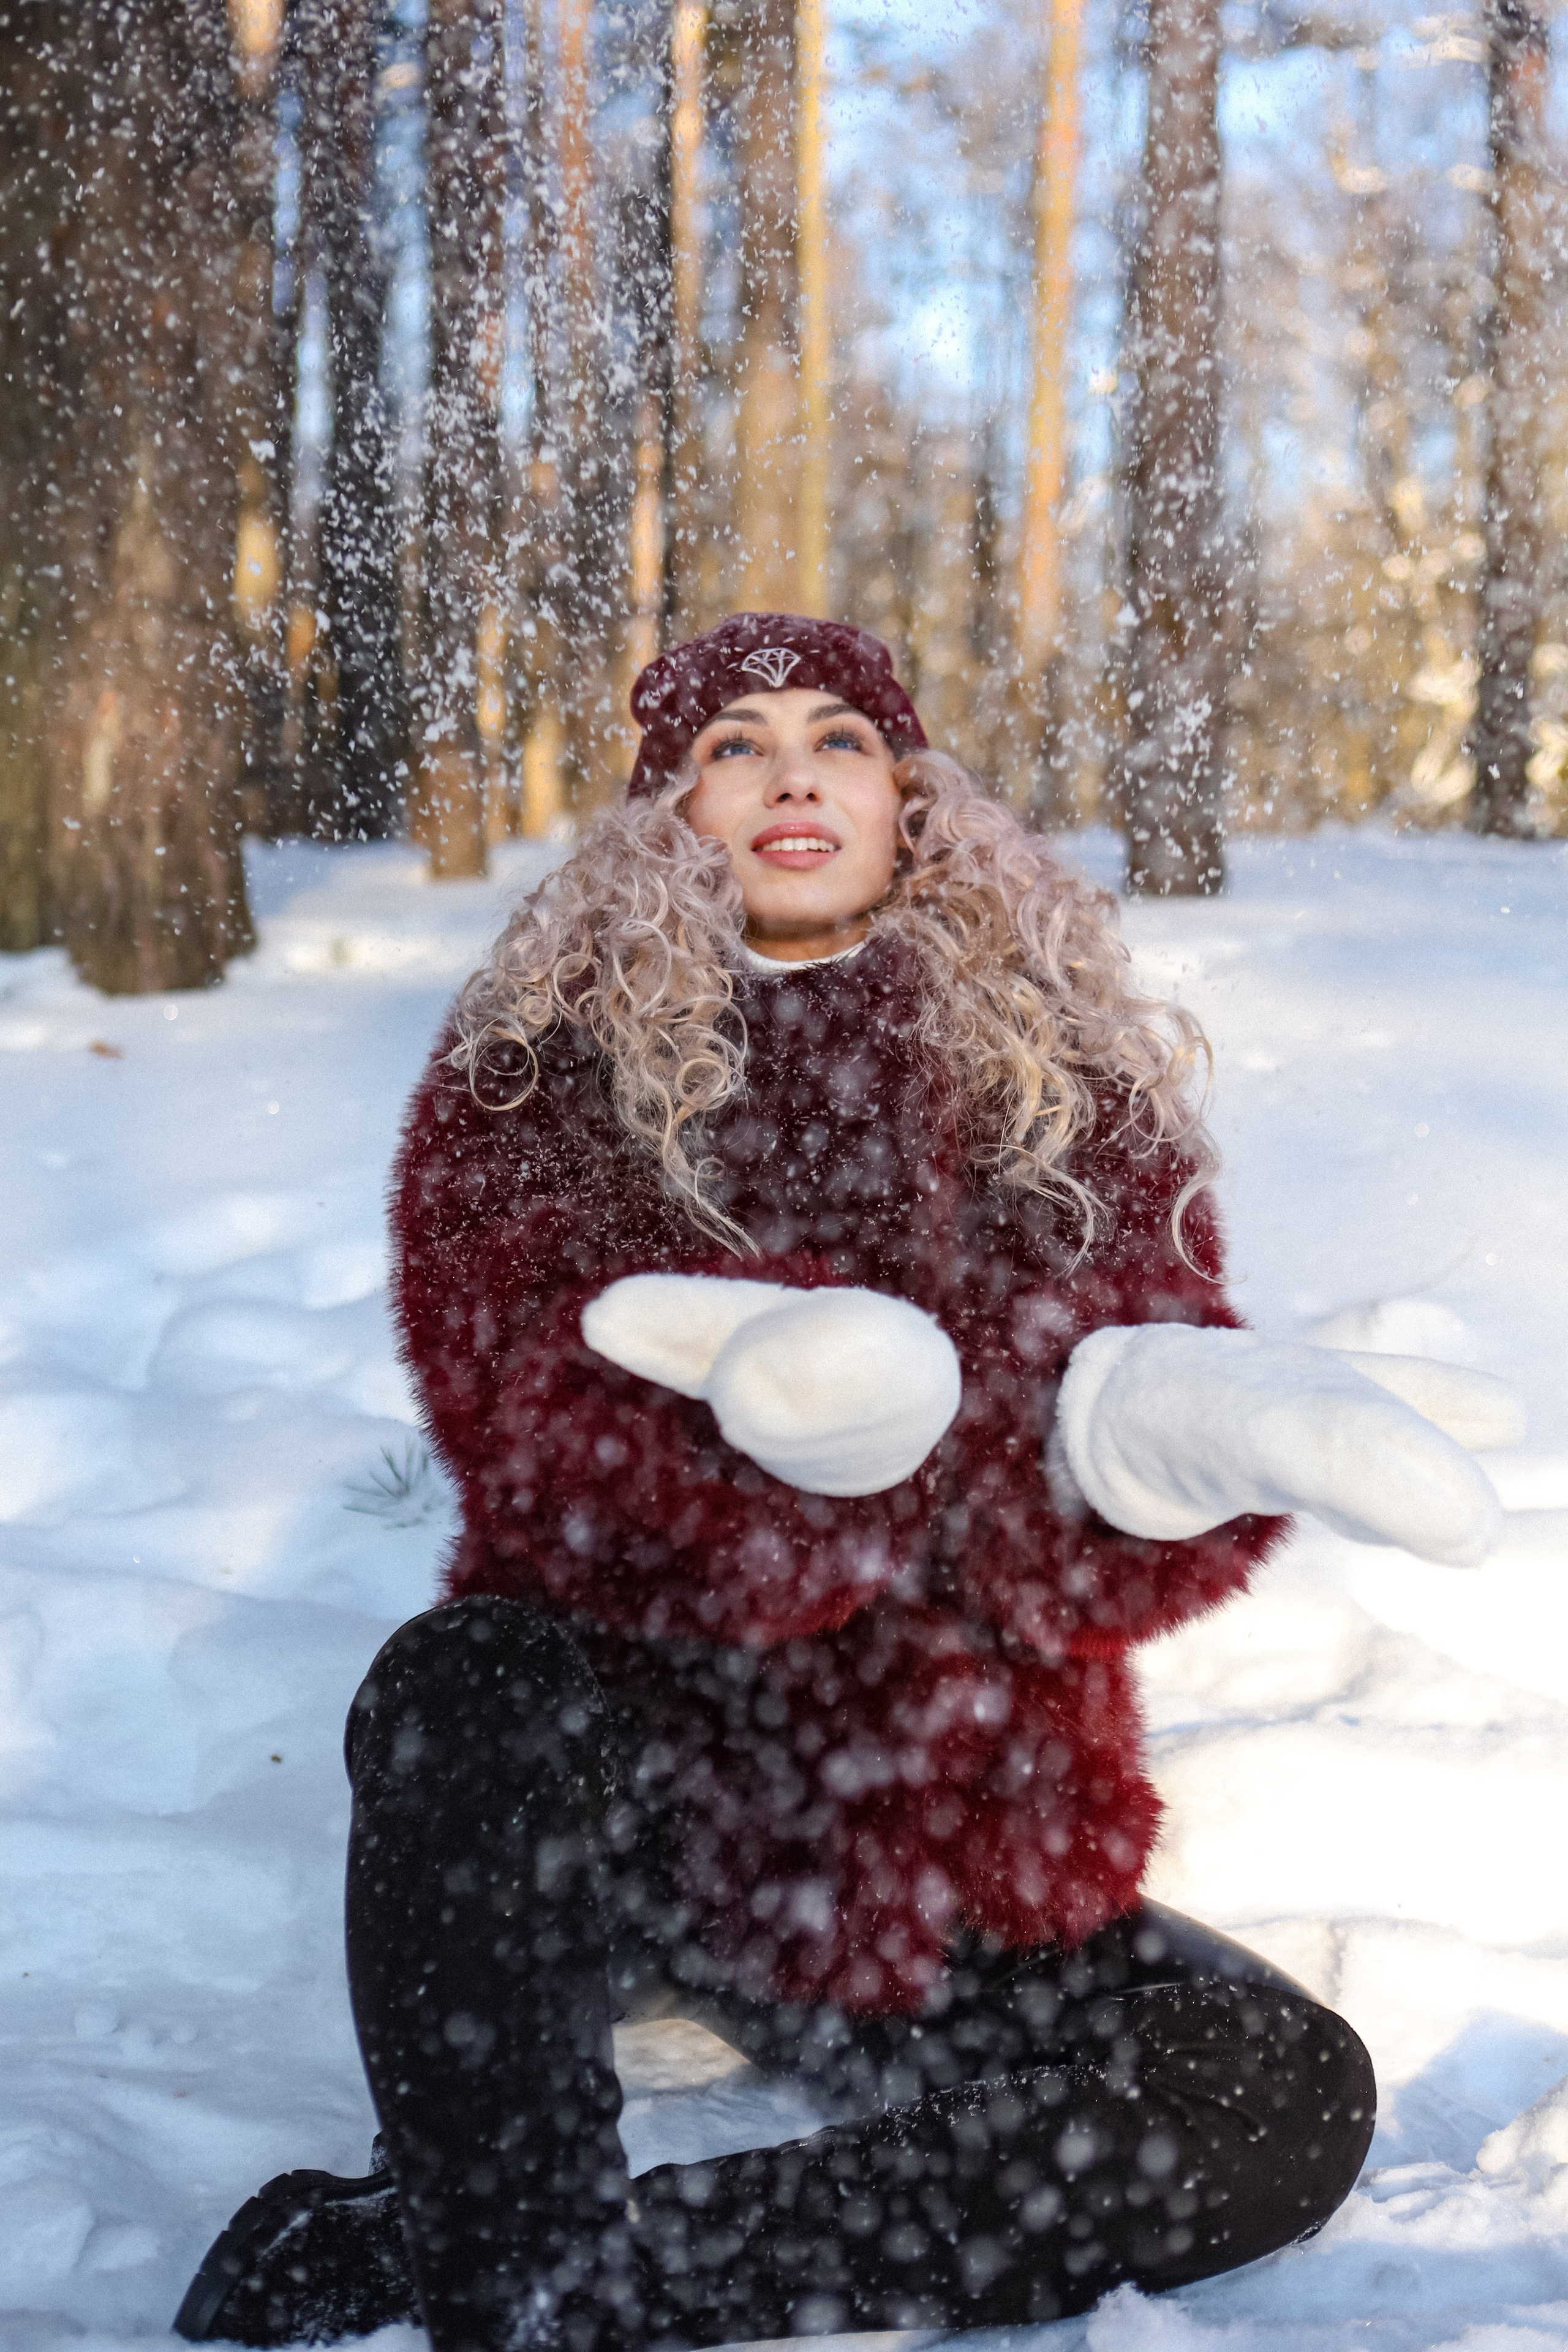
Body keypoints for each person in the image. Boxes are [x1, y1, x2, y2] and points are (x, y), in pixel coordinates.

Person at [177, 612, 1517, 2352]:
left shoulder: (1063, 1079)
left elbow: (1112, 1412)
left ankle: (543, 2269)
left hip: (949, 1856)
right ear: (669, 808)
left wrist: (1145, 1437)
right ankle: (513, 2246)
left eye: (843, 740)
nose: (793, 773)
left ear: (911, 800)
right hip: (635, 1819)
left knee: (1272, 2092)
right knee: (461, 1687)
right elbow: (525, 1417)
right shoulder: (535, 1074)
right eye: (735, 745)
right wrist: (791, 1466)